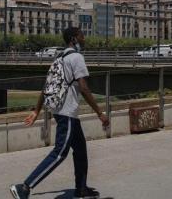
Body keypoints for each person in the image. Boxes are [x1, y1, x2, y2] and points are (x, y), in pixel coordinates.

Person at [10, 27, 109, 199]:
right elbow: (84, 89)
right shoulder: (77, 58)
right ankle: (24, 187)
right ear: (74, 39)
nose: (84, 39)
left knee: (80, 150)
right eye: (82, 36)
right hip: (67, 112)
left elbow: (46, 87)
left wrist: (37, 110)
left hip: (60, 110)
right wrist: (100, 113)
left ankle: (81, 189)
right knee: (59, 153)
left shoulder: (58, 59)